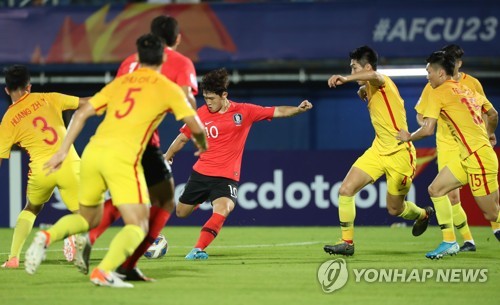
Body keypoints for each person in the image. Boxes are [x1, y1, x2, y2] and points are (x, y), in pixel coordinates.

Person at [24, 34, 207, 288]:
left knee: (88, 219)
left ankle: (46, 236)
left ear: (138, 58)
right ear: (164, 58)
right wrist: (202, 144)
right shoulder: (167, 87)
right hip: (122, 157)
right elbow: (195, 125)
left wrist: (63, 150)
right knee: (139, 224)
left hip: (92, 152)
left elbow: (82, 112)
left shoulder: (120, 83)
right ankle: (104, 271)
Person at [80, 14, 199, 282]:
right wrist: (197, 134)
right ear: (177, 38)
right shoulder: (179, 62)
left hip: (108, 139)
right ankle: (123, 263)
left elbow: (113, 98)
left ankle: (91, 237)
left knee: (134, 197)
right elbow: (188, 99)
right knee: (164, 200)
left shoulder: (128, 62)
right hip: (142, 143)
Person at [164, 68, 313, 260]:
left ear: (224, 95)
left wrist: (297, 109)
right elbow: (182, 138)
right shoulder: (201, 114)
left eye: (212, 98)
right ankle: (203, 198)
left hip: (226, 177)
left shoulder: (244, 111)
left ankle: (197, 249)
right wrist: (168, 155)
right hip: (201, 173)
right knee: (181, 212)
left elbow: (277, 111)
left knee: (224, 208)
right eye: (205, 98)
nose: (208, 103)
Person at [323, 46, 433, 257]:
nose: (353, 72)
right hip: (378, 150)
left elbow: (374, 76)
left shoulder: (382, 80)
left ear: (366, 67)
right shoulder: (369, 87)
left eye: (354, 68)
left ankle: (422, 214)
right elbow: (369, 81)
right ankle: (347, 242)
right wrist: (363, 88)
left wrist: (346, 79)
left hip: (400, 154)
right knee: (345, 190)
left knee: (395, 209)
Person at [397, 51, 500, 259]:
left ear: (441, 73)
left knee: (492, 214)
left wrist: (408, 137)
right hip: (469, 156)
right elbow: (493, 114)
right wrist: (489, 134)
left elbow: (427, 130)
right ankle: (450, 242)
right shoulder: (466, 88)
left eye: (429, 72)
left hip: (478, 158)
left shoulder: (438, 92)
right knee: (436, 189)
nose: (427, 77)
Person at [0, 65, 87, 268]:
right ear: (28, 86)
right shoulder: (49, 97)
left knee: (31, 208)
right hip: (68, 164)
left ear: (6, 90)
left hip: (41, 171)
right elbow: (85, 103)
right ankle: (70, 235)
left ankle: (13, 258)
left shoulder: (8, 120)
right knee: (85, 214)